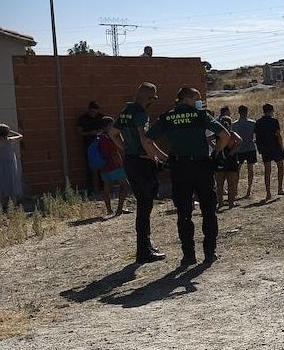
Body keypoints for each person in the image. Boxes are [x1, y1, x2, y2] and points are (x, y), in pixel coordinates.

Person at [147, 86, 235, 267]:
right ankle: (209, 252)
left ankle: (188, 255)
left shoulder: (168, 117)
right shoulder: (200, 115)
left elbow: (147, 140)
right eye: (196, 98)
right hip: (202, 166)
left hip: (179, 167)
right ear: (187, 98)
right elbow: (225, 135)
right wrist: (216, 153)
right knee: (208, 210)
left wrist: (164, 158)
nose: (199, 101)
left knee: (184, 213)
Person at [110, 82, 168, 264]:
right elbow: (145, 140)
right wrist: (162, 157)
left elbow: (113, 133)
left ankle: (146, 245)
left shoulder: (126, 111)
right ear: (149, 98)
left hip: (130, 161)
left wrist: (126, 149)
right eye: (153, 99)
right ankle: (143, 251)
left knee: (144, 205)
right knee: (145, 206)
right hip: (142, 163)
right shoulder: (141, 114)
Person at [94, 116, 131, 216]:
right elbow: (115, 151)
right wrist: (121, 163)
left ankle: (109, 210)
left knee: (106, 188)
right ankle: (119, 209)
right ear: (108, 126)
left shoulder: (98, 137)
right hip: (114, 165)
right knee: (125, 186)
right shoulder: (110, 137)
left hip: (103, 166)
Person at [254, 103, 284, 201]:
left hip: (264, 148)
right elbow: (278, 135)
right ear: (272, 111)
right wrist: (282, 147)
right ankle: (280, 188)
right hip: (275, 147)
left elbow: (256, 136)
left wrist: (259, 148)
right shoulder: (274, 121)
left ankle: (268, 192)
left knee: (267, 171)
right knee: (280, 167)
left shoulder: (258, 122)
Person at [76, 101, 104, 198]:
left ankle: (103, 187)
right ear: (89, 109)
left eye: (95, 111)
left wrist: (100, 132)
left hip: (100, 144)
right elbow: (79, 132)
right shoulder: (83, 119)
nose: (93, 113)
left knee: (102, 166)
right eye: (92, 111)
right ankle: (90, 189)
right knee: (89, 168)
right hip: (89, 145)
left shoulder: (101, 117)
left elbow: (107, 129)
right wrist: (90, 133)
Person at [213, 116, 243, 208]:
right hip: (231, 159)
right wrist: (233, 151)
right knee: (231, 184)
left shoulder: (218, 134)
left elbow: (208, 139)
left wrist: (216, 148)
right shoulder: (232, 133)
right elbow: (240, 140)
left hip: (220, 159)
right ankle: (231, 203)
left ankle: (220, 203)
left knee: (220, 184)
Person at [0, 124, 23, 205]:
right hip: (10, 165)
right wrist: (10, 131)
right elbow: (20, 136)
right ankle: (13, 203)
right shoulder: (10, 140)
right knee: (12, 182)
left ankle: (1, 204)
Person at [232, 105, 258, 197]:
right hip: (250, 148)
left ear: (239, 112)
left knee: (237, 170)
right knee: (250, 169)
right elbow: (256, 135)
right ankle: (249, 189)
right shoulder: (252, 123)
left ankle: (235, 190)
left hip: (239, 149)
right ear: (247, 112)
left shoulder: (234, 124)